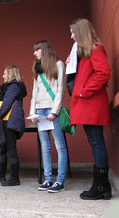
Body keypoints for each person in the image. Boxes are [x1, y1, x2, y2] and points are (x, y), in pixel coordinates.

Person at [68, 18, 112, 200]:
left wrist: (84, 92)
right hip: (89, 104)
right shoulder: (86, 51)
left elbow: (104, 72)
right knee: (95, 142)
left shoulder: (94, 47)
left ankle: (101, 185)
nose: (71, 36)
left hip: (91, 104)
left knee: (96, 142)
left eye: (73, 32)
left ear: (81, 32)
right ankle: (102, 185)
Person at [29, 40, 67, 193]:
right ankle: (48, 179)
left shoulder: (58, 65)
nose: (34, 53)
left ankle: (60, 181)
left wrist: (54, 111)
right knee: (45, 147)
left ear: (44, 50)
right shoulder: (37, 70)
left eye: (37, 50)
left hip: (52, 110)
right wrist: (33, 112)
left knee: (59, 145)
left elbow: (60, 90)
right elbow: (34, 94)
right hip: (39, 111)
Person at [0, 65, 26, 186]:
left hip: (9, 121)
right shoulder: (9, 87)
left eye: (5, 74)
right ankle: (1, 175)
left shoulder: (14, 86)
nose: (3, 76)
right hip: (4, 121)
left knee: (11, 150)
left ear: (11, 74)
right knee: (2, 148)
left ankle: (14, 178)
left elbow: (7, 103)